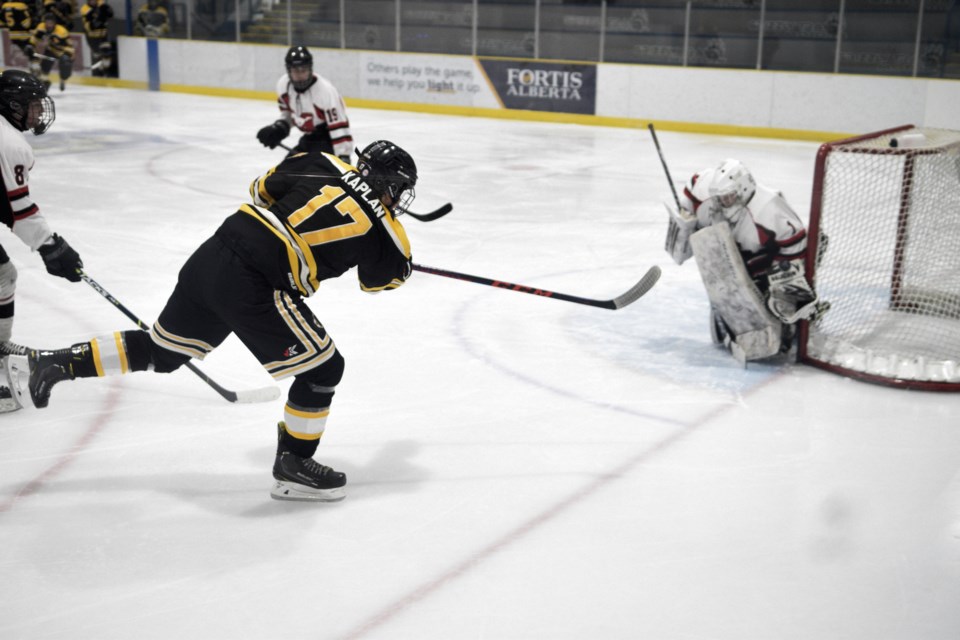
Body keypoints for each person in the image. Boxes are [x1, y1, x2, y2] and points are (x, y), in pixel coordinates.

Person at [26, 141, 417, 502]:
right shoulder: (388, 229)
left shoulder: (321, 161)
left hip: (215, 252)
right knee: (324, 370)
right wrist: (404, 265)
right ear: (391, 185)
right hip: (257, 281)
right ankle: (294, 464)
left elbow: (260, 190)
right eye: (398, 190)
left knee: (162, 351)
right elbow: (379, 282)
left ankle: (59, 360)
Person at [664, 158, 826, 362]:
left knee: (781, 327)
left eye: (730, 196)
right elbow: (692, 189)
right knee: (722, 333)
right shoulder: (704, 188)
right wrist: (685, 218)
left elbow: (795, 251)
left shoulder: (771, 210)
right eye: (720, 197)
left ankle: (801, 322)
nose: (723, 202)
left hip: (767, 260)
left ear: (745, 188)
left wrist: (781, 286)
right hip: (732, 253)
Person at [0, 70, 83, 408]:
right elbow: (18, 209)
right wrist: (51, 247)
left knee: (4, 276)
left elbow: (5, 206)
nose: (38, 113)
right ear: (13, 106)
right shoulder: (10, 143)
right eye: (33, 105)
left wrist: (48, 245)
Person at [257, 45, 354, 161]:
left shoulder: (325, 91)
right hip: (309, 139)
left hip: (328, 140)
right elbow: (289, 114)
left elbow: (338, 127)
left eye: (303, 70)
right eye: (295, 70)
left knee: (311, 174)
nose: (300, 75)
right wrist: (279, 128)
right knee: (286, 170)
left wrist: (343, 156)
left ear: (310, 69)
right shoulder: (284, 85)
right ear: (289, 70)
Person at [30, 12, 75, 91]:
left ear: (54, 23)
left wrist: (70, 54)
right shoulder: (41, 27)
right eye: (47, 22)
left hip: (62, 52)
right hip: (50, 50)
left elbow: (70, 45)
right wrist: (31, 45)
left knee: (65, 63)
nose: (48, 25)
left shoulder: (61, 31)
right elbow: (35, 37)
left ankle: (62, 80)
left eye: (51, 23)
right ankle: (45, 82)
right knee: (44, 68)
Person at [2, 1, 39, 66]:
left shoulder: (4, 6)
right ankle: (35, 65)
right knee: (31, 48)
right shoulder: (21, 5)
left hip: (12, 36)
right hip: (24, 35)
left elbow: (2, 22)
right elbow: (26, 23)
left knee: (24, 50)